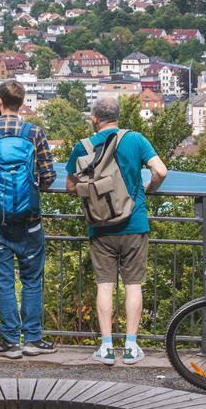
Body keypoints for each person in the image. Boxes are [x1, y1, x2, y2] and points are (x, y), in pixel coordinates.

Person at [65, 98, 167, 365]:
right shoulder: (135, 139)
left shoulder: (83, 146)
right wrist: (149, 188)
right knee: (133, 286)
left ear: (94, 119)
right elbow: (160, 171)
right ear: (118, 117)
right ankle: (131, 347)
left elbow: (70, 186)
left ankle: (107, 347)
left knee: (105, 286)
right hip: (134, 222)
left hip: (100, 226)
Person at [0, 81, 57, 359]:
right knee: (32, 279)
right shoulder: (34, 133)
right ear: (22, 103)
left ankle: (9, 342)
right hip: (29, 219)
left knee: (4, 282)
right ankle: (32, 338)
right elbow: (48, 175)